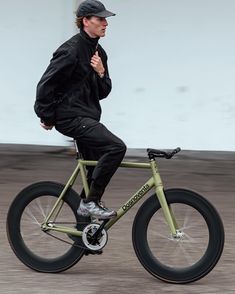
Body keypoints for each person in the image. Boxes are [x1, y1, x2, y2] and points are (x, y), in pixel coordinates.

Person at [34, 0, 126, 219]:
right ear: (86, 21)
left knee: (96, 167)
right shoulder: (71, 49)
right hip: (71, 117)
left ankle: (84, 233)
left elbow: (102, 92)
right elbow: (45, 85)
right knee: (116, 148)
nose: (105, 23)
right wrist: (47, 116)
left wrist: (101, 72)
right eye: (100, 19)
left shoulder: (98, 52)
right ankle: (91, 202)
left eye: (106, 19)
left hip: (87, 116)